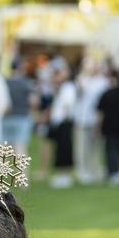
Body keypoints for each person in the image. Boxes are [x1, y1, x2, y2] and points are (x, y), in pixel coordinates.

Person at [97, 69, 119, 185]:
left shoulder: (106, 94)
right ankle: (114, 171)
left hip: (111, 126)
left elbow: (100, 114)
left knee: (111, 150)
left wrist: (98, 128)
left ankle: (114, 172)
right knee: (118, 149)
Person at [48, 59, 76, 188]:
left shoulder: (68, 86)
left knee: (64, 150)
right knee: (60, 150)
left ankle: (65, 176)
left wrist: (62, 119)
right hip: (59, 122)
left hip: (64, 122)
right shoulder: (61, 87)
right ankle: (61, 174)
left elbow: (67, 106)